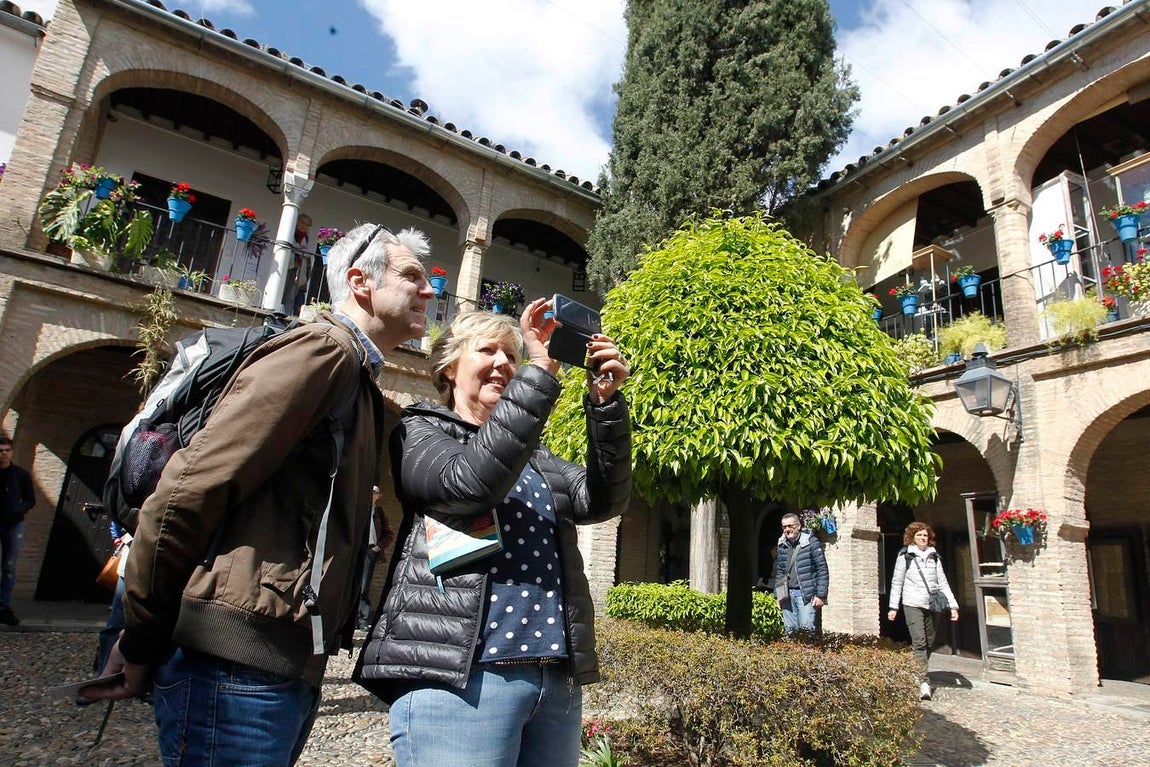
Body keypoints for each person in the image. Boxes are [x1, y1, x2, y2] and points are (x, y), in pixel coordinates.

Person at [85, 222, 435, 767]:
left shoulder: (355, 374)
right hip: (233, 669)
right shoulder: (322, 351)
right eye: (412, 275)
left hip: (276, 667)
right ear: (359, 281)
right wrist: (142, 635)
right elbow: (186, 492)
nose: (430, 291)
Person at [355, 304, 632, 767]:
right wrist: (541, 371)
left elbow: (602, 501)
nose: (504, 362)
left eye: (512, 355)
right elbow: (472, 483)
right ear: (449, 367)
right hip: (463, 677)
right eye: (488, 350)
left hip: (552, 678)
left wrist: (605, 407)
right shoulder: (422, 432)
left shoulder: (536, 458)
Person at [887, 521, 959, 701]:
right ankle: (923, 682)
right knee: (919, 642)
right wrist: (893, 606)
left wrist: (953, 606)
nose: (923, 538)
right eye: (919, 535)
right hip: (912, 603)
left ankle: (916, 670)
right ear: (912, 537)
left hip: (933, 604)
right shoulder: (905, 556)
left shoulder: (934, 556)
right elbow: (897, 582)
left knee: (930, 641)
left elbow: (942, 582)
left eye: (925, 535)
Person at [774, 512, 829, 635]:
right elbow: (780, 571)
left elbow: (822, 569)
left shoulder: (811, 542)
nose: (787, 529)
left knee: (806, 633)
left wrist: (821, 595)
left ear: (798, 526)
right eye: (784, 527)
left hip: (806, 595)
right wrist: (778, 595)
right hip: (786, 596)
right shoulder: (782, 545)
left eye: (790, 526)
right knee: (790, 633)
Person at [0, 436, 35, 627]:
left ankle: (3, 607)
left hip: (13, 524)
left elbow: (30, 500)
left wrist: (17, 510)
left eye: (7, 450)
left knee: (9, 566)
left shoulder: (20, 475)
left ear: (11, 452)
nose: (4, 454)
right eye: (0, 451)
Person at [356, 485, 393, 631]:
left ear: (378, 496)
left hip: (370, 551)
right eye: (370, 492)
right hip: (356, 551)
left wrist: (379, 547)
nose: (371, 495)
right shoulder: (359, 510)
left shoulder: (379, 513)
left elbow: (389, 534)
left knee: (364, 586)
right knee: (352, 585)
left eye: (374, 493)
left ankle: (362, 620)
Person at [283, 213, 314, 315]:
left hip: (299, 270)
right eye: (302, 223)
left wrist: (297, 248)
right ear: (297, 222)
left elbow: (308, 254)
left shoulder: (306, 238)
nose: (304, 226)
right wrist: (299, 248)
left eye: (307, 225)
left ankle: (286, 316)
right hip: (287, 267)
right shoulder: (290, 233)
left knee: (291, 296)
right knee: (280, 292)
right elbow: (288, 245)